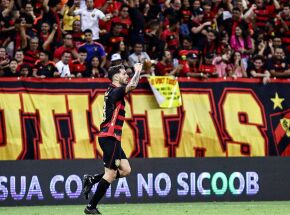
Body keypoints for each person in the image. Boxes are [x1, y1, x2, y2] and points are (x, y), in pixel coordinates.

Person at [82, 62, 143, 215]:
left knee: (126, 170)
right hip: (109, 137)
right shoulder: (115, 91)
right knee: (110, 174)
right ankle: (91, 207)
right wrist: (138, 71)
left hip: (112, 138)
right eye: (124, 74)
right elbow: (133, 85)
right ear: (116, 76)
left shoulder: (112, 91)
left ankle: (92, 179)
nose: (127, 76)